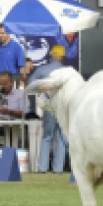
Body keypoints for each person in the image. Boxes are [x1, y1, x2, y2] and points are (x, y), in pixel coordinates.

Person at [29, 45, 68, 173]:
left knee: (47, 137)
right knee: (61, 138)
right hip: (62, 107)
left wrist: (42, 88)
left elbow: (30, 84)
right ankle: (58, 169)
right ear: (62, 57)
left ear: (51, 55)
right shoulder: (67, 71)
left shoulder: (42, 69)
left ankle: (42, 167)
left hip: (49, 106)